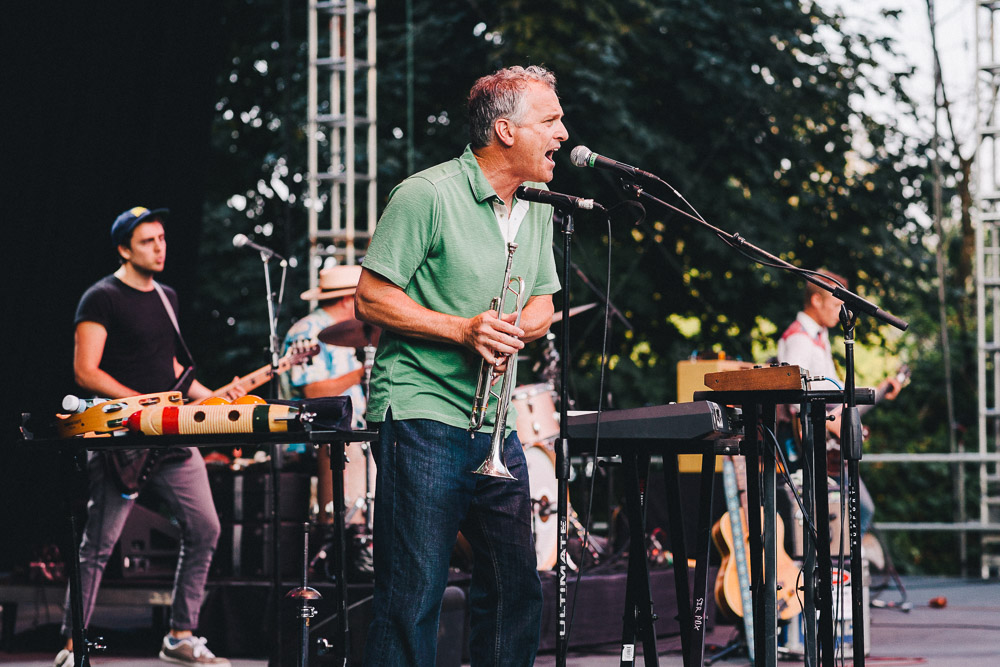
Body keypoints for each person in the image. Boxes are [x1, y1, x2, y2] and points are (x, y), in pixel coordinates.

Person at [355, 65, 565, 666]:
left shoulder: (540, 207)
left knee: (515, 590)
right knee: (412, 596)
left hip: (494, 425)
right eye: (550, 120)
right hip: (420, 416)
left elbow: (545, 304)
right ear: (505, 130)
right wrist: (463, 329)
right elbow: (369, 298)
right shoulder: (426, 194)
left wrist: (516, 325)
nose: (563, 133)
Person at [55, 206, 240, 667]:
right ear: (123, 249)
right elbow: (85, 371)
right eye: (147, 241)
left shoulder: (167, 296)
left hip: (172, 434)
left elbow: (173, 370)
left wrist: (217, 398)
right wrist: (142, 404)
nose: (160, 247)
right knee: (100, 543)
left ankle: (180, 635)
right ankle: (73, 643)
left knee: (206, 528)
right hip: (123, 436)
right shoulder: (100, 298)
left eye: (161, 238)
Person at [776, 271, 902, 538]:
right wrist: (831, 424)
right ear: (816, 301)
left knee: (851, 511)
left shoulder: (819, 337)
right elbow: (792, 395)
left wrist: (878, 392)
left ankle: (836, 569)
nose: (841, 312)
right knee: (859, 509)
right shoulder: (799, 338)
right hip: (815, 441)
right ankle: (835, 571)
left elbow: (832, 391)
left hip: (825, 436)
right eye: (836, 305)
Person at [280, 265, 369, 527]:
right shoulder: (306, 332)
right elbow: (313, 393)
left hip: (347, 436)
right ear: (346, 298)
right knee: (342, 521)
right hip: (311, 440)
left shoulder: (353, 332)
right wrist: (360, 374)